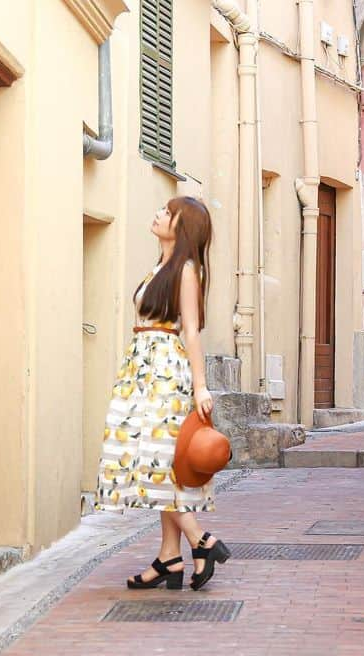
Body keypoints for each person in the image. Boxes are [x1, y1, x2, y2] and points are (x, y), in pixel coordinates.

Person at [94, 196, 231, 591]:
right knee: (156, 458)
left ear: (182, 227)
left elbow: (191, 330)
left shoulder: (187, 270)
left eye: (167, 213)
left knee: (156, 460)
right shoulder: (164, 265)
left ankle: (201, 539)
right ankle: (170, 558)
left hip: (164, 372)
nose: (158, 214)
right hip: (143, 368)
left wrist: (201, 386)